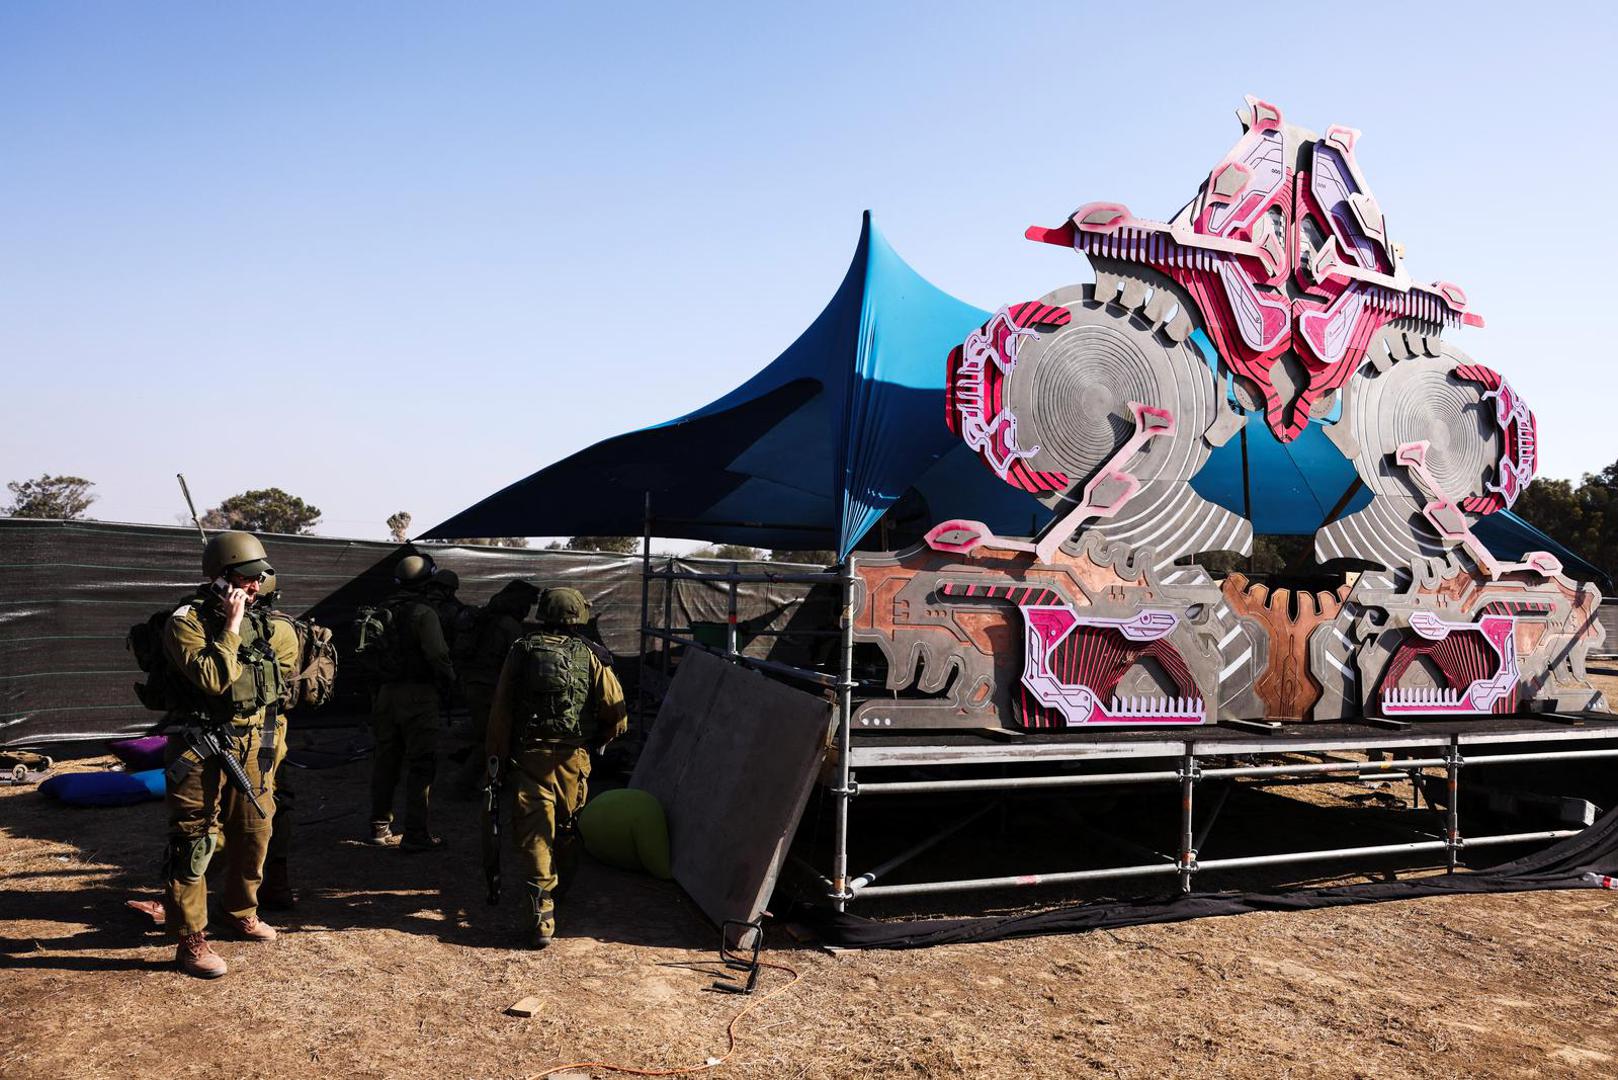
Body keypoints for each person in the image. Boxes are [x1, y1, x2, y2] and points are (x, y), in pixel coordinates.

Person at [160, 531, 294, 978]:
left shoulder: (266, 621)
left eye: (260, 577)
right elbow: (215, 677)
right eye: (247, 579)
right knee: (194, 840)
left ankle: (238, 910)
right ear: (221, 579)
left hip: (252, 742)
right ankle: (190, 939)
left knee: (255, 828)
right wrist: (231, 626)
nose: (257, 586)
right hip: (199, 745)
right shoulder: (186, 621)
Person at [486, 587, 626, 948]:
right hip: (573, 761)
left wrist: (496, 757)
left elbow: (501, 708)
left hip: (529, 756)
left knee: (535, 835)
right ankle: (559, 888)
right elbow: (616, 709)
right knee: (566, 828)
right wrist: (601, 741)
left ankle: (541, 915)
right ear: (579, 614)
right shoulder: (592, 654)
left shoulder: (522, 649)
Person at [369, 553, 456, 850]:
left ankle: (379, 827)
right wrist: (450, 679)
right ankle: (416, 834)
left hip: (385, 695)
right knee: (421, 764)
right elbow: (437, 655)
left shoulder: (382, 609)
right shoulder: (423, 613)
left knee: (386, 761)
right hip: (418, 696)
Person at [449, 579, 539, 797]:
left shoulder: (487, 618)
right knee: (490, 739)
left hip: (475, 684)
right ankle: (463, 786)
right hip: (490, 687)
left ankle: (499, 779)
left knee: (497, 736)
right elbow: (518, 662)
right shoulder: (509, 625)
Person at [255, 573, 303, 908]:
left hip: (263, 726)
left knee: (255, 802)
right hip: (273, 726)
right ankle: (277, 883)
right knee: (276, 799)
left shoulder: (275, 630)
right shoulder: (285, 626)